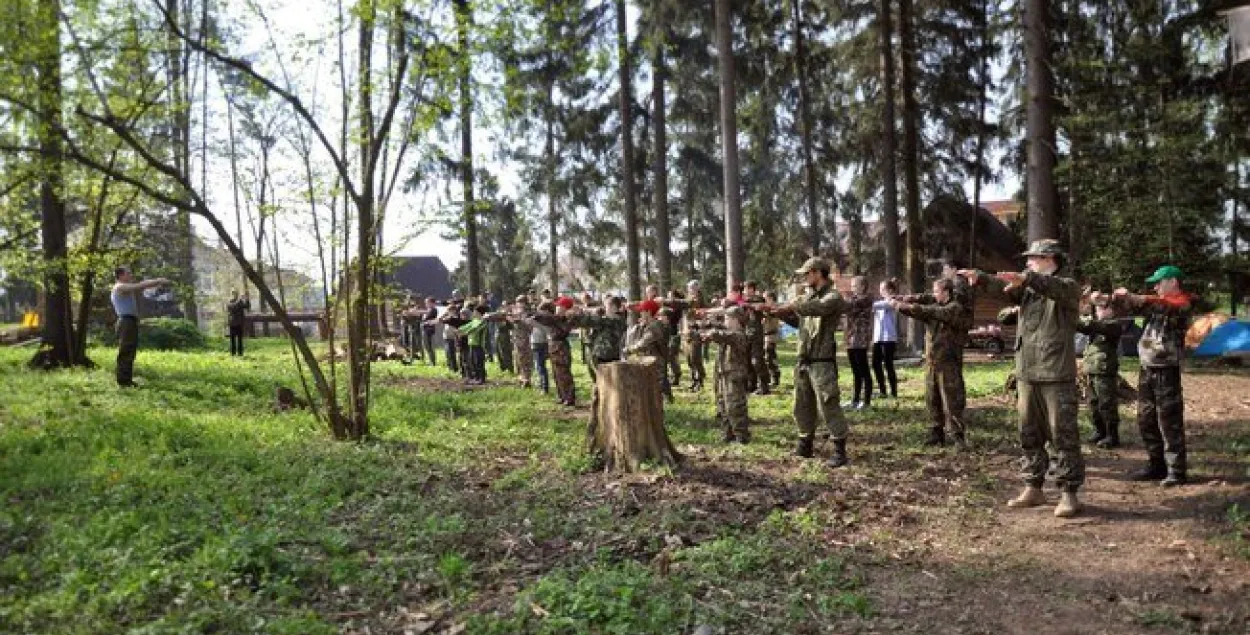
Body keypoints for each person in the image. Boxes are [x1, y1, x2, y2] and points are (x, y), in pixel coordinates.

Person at [962, 239, 1085, 518]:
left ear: (1049, 258)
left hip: (1055, 373)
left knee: (1062, 434)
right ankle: (1034, 486)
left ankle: (1069, 494)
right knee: (1028, 432)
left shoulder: (1067, 285)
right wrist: (980, 278)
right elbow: (1004, 288)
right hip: (1028, 372)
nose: (1028, 262)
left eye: (1033, 258)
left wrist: (1028, 278)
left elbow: (1054, 288)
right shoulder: (1028, 289)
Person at [1110, 265, 1193, 486]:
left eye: (1159, 282)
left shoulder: (1181, 303)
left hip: (1166, 369)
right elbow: (1128, 309)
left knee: (1169, 419)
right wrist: (1115, 298)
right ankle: (1156, 465)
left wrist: (1137, 297)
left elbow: (1163, 303)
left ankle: (1176, 470)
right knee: (1145, 417)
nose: (1155, 287)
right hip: (1147, 367)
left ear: (1173, 281)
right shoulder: (1156, 305)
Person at [769, 257, 851, 467]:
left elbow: (816, 308)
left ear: (817, 273)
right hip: (804, 360)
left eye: (806, 274)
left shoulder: (832, 297)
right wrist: (778, 313)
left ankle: (840, 450)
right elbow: (801, 321)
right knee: (802, 404)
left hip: (822, 361)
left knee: (828, 405)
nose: (804, 278)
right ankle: (805, 443)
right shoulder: (809, 298)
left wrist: (789, 306)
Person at [891, 278, 973, 448]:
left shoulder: (954, 308)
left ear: (946, 292)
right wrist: (902, 301)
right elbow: (920, 305)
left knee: (952, 400)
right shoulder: (936, 306)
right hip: (932, 361)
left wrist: (904, 305)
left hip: (948, 362)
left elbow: (927, 311)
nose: (934, 294)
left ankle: (957, 436)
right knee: (932, 398)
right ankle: (936, 432)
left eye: (937, 291)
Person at [1075, 297, 1124, 449]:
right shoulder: (1096, 327)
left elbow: (1092, 324)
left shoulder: (1113, 325)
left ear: (1110, 310)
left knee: (1107, 404)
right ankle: (1100, 431)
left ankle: (1112, 436)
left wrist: (1079, 316)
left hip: (1104, 371)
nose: (1099, 312)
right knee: (1093, 404)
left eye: (1102, 308)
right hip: (1091, 370)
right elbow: (1082, 326)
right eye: (1097, 309)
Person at [109, 267, 170, 387]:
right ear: (121, 275)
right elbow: (140, 286)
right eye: (128, 273)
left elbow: (141, 287)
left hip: (129, 322)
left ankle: (126, 379)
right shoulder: (120, 287)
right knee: (126, 351)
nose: (131, 275)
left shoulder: (124, 288)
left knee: (130, 351)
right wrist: (158, 280)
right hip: (126, 322)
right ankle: (123, 381)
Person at [701, 305, 751, 443]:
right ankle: (727, 434)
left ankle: (742, 436)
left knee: (735, 406)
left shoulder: (739, 335)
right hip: (724, 374)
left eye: (728, 318)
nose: (725, 321)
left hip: (734, 375)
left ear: (736, 320)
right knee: (723, 405)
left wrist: (711, 333)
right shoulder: (729, 333)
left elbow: (722, 335)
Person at [531, 297, 578, 406]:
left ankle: (569, 398)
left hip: (561, 347)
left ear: (565, 308)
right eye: (557, 306)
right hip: (553, 346)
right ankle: (561, 396)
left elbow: (561, 330)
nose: (557, 308)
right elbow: (542, 318)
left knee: (564, 373)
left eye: (560, 306)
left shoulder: (567, 319)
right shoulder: (554, 318)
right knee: (556, 373)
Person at [623, 299, 671, 401]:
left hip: (656, 362)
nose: (640, 313)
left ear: (649, 312)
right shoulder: (649, 325)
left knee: (656, 389)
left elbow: (643, 343)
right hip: (650, 361)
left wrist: (629, 350)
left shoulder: (655, 326)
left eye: (642, 311)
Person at [843, 276, 875, 410]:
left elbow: (849, 306)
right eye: (852, 285)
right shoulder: (853, 299)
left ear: (863, 287)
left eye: (855, 286)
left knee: (864, 371)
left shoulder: (866, 299)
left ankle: (866, 401)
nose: (852, 288)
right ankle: (855, 400)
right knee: (856, 372)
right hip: (851, 339)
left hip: (860, 339)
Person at [872, 279, 900, 399]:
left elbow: (881, 305)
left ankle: (893, 392)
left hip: (889, 338)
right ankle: (882, 390)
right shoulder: (880, 302)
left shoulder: (893, 301)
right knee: (875, 364)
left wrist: (869, 303)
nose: (880, 291)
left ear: (890, 290)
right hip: (878, 338)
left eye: (883, 289)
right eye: (880, 289)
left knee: (888, 365)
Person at [742, 281, 771, 396]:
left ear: (753, 289)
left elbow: (761, 306)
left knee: (757, 360)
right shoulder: (743, 300)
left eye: (748, 288)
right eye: (745, 288)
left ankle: (764, 385)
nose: (746, 290)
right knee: (747, 361)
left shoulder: (758, 299)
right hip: (747, 333)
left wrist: (745, 303)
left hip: (757, 333)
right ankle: (751, 384)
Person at [512, 295, 535, 388]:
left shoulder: (528, 313)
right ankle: (521, 378)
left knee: (525, 360)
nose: (518, 304)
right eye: (517, 302)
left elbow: (530, 327)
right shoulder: (517, 313)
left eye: (520, 302)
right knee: (518, 360)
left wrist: (520, 322)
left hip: (525, 339)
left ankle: (527, 380)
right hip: (517, 339)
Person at [762, 291, 782, 389]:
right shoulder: (766, 308)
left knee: (770, 356)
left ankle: (775, 377)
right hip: (766, 335)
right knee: (768, 357)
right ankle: (771, 377)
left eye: (765, 298)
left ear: (770, 298)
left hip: (771, 335)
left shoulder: (774, 307)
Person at [226, 290, 251, 357]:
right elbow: (233, 307)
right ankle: (233, 353)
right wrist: (240, 300)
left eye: (236, 294)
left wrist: (246, 299)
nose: (235, 295)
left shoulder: (240, 302)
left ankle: (240, 353)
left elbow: (246, 306)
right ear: (232, 294)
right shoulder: (229, 302)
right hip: (232, 323)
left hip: (239, 323)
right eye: (234, 294)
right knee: (232, 339)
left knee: (240, 339)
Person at [421, 297, 439, 366]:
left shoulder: (433, 310)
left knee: (430, 347)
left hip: (429, 331)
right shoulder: (428, 310)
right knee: (426, 346)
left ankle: (433, 362)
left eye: (427, 302)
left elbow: (429, 319)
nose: (426, 304)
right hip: (425, 330)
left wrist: (425, 322)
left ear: (431, 303)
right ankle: (431, 361)